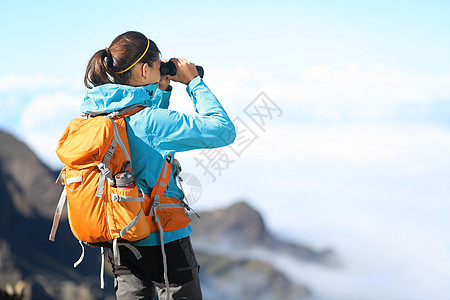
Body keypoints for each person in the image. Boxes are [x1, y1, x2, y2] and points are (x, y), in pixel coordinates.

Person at [81, 31, 236, 299]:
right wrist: (194, 83)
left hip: (121, 237)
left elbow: (145, 141)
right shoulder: (150, 122)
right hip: (165, 241)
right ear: (143, 69)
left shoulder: (97, 115)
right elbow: (223, 130)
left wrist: (162, 90)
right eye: (157, 64)